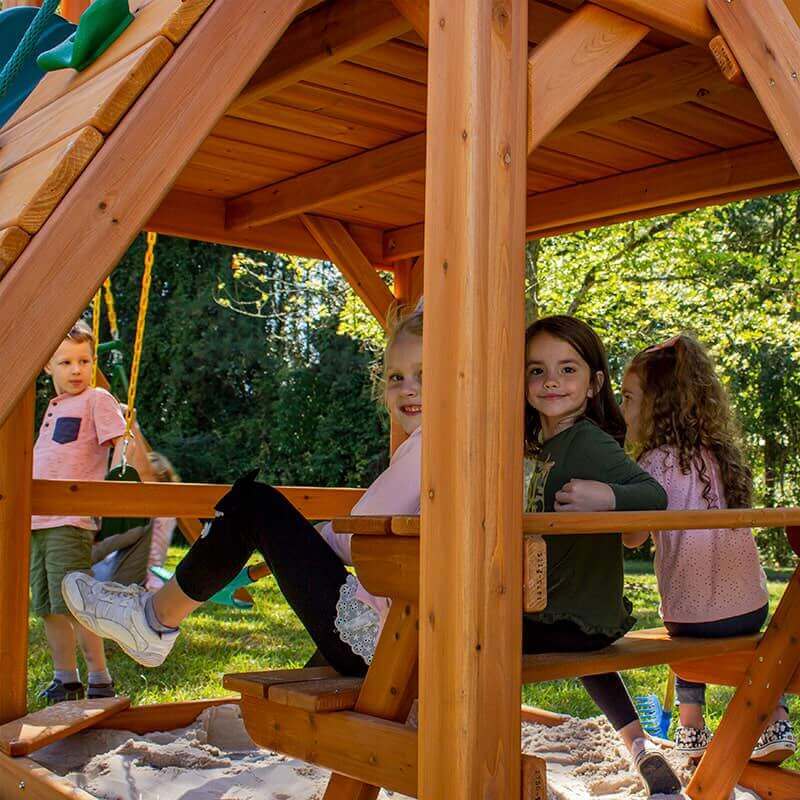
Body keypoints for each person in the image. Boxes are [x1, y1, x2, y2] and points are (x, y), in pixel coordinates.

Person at [62, 310, 424, 676]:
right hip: (416, 638)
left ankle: (153, 620)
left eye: (425, 375)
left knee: (254, 504)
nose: (408, 388)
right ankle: (154, 616)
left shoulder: (429, 446)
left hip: (381, 643)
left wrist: (315, 536)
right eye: (397, 376)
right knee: (259, 511)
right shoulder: (464, 454)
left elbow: (363, 535)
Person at [523, 315, 680, 795]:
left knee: (458, 630)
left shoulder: (587, 440)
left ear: (594, 384)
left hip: (562, 615)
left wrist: (605, 497)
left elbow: (653, 496)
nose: (551, 380)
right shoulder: (535, 443)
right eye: (536, 370)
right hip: (571, 612)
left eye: (567, 369)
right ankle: (638, 744)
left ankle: (433, 726)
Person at [621, 334, 796, 763]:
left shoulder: (652, 465)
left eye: (627, 398)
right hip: (751, 607)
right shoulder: (723, 456)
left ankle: (692, 726)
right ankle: (773, 716)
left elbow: (632, 538)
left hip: (691, 618)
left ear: (656, 405)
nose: (621, 409)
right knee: (717, 622)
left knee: (686, 622)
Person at [32, 320, 126, 703]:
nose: (76, 370)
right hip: (36, 519)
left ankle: (100, 679)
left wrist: (120, 481)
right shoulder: (53, 407)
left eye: (84, 361)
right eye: (66, 362)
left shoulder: (96, 399)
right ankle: (65, 679)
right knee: (48, 607)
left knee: (76, 604)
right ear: (47, 367)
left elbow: (120, 441)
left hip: (70, 519)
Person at [144, 452, 180, 591]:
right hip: (149, 565)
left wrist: (154, 570)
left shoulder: (162, 509)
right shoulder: (165, 506)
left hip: (151, 566)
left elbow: (153, 543)